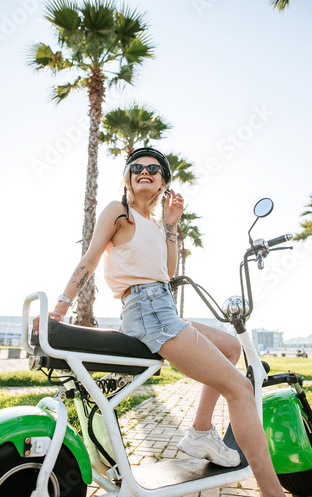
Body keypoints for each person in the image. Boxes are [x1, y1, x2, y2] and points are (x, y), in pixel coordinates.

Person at [34, 148, 285, 497]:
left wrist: (171, 224)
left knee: (230, 346)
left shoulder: (154, 223)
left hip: (162, 308)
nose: (145, 171)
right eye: (136, 167)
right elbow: (90, 258)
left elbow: (168, 272)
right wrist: (59, 309)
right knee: (241, 389)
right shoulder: (118, 212)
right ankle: (273, 491)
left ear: (163, 182)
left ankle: (199, 432)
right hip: (145, 310)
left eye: (154, 168)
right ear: (128, 177)